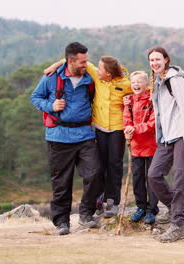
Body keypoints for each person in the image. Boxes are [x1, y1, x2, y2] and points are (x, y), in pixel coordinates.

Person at [45, 56, 132, 218]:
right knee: (99, 164)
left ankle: (112, 200)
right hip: (99, 127)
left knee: (114, 164)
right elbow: (74, 61)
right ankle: (98, 198)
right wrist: (54, 64)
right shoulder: (97, 77)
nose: (96, 70)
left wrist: (131, 99)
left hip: (118, 129)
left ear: (109, 73)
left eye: (101, 69)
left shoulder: (125, 84)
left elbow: (144, 91)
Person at [30, 42, 102, 235]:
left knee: (94, 173)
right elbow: (35, 97)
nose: (86, 64)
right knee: (61, 182)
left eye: (86, 61)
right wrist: (51, 106)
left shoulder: (90, 77)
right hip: (58, 136)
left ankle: (86, 214)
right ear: (71, 61)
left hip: (85, 134)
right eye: (82, 61)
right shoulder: (51, 78)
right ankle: (62, 222)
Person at [147, 46, 184, 243]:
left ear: (166, 59)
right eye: (151, 61)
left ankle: (178, 226)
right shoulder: (158, 82)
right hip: (166, 138)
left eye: (158, 59)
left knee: (179, 180)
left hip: (182, 136)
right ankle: (175, 209)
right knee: (153, 175)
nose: (154, 63)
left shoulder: (175, 80)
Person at [123, 71, 159, 224]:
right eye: (134, 82)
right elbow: (126, 119)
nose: (136, 84)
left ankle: (152, 209)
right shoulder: (129, 101)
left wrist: (136, 128)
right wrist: (127, 130)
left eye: (139, 82)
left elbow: (153, 123)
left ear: (147, 84)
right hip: (136, 146)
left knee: (151, 178)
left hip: (151, 145)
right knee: (137, 178)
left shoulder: (152, 100)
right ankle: (141, 207)